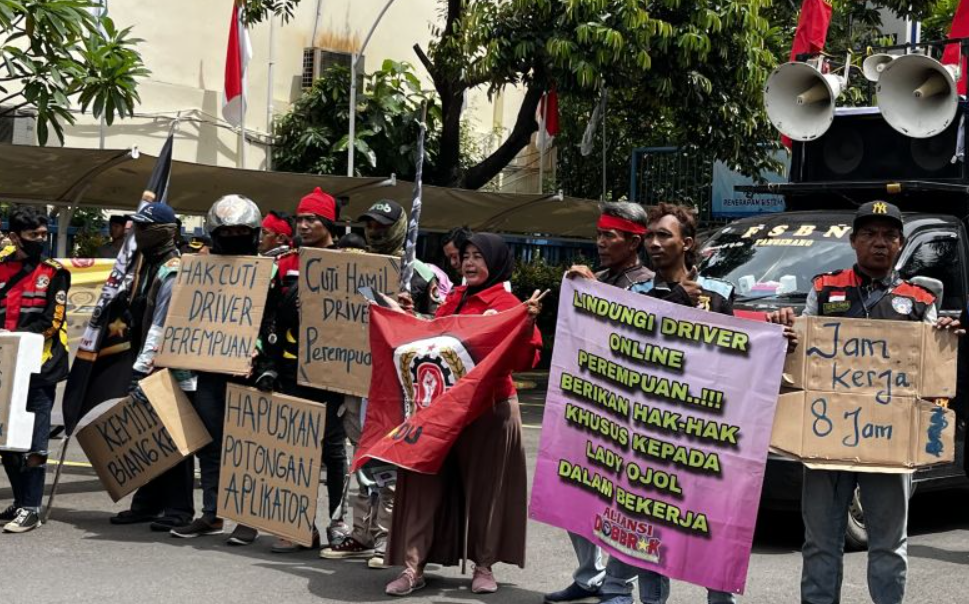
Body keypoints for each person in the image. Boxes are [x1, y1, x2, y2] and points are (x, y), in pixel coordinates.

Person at [768, 200, 963, 604]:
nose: (880, 243)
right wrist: (785, 337)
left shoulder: (921, 300)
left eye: (889, 235)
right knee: (820, 544)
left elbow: (930, 375)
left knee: (890, 547)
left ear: (900, 244)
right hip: (826, 442)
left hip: (890, 447)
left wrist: (943, 338)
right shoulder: (824, 290)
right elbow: (799, 357)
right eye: (870, 234)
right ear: (854, 241)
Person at [551, 202, 735, 604]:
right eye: (649, 236)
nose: (654, 243)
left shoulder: (719, 296)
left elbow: (739, 364)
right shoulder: (632, 295)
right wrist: (582, 292)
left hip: (699, 442)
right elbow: (615, 352)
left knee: (710, 548)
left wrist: (780, 338)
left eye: (663, 236)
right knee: (638, 545)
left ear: (686, 244)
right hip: (644, 442)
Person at [383, 232, 543, 597]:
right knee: (422, 484)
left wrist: (526, 325)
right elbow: (434, 347)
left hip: (489, 410)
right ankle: (412, 567)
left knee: (487, 492)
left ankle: (483, 566)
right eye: (466, 256)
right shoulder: (452, 299)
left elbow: (524, 361)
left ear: (496, 261)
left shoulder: (509, 303)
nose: (469, 263)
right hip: (440, 409)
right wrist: (408, 318)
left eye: (478, 257)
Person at [252, 187, 349, 552]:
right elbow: (268, 316)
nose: (304, 226)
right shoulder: (284, 264)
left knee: (334, 450)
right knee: (296, 449)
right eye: (300, 219)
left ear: (328, 223)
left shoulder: (349, 263)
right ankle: (299, 526)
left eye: (312, 220)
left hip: (333, 371)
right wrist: (267, 363)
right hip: (290, 370)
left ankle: (338, 524)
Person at [170, 194, 264, 539]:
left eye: (242, 231)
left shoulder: (267, 274)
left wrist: (258, 353)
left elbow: (271, 323)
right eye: (228, 232)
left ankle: (248, 518)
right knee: (210, 445)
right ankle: (212, 512)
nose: (234, 237)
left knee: (246, 448)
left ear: (253, 233)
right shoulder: (197, 271)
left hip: (250, 372)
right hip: (209, 369)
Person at [108, 202, 196, 531]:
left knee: (174, 438)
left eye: (143, 228)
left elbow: (162, 325)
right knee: (151, 436)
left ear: (161, 232)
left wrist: (140, 370)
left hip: (166, 365)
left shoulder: (172, 269)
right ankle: (148, 504)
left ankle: (179, 509)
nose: (136, 233)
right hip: (148, 360)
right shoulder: (148, 265)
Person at [0, 206, 70, 532]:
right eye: (34, 236)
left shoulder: (54, 271)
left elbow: (52, 321)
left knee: (35, 441)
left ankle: (32, 506)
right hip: (5, 367)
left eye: (45, 234)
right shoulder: (1, 267)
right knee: (6, 441)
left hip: (41, 366)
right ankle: (19, 500)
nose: (41, 240)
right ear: (15, 237)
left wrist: (18, 341)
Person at [358, 200, 441, 314]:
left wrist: (408, 315)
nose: (373, 232)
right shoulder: (354, 264)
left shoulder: (421, 273)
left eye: (381, 226)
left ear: (398, 228)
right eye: (369, 226)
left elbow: (437, 321)